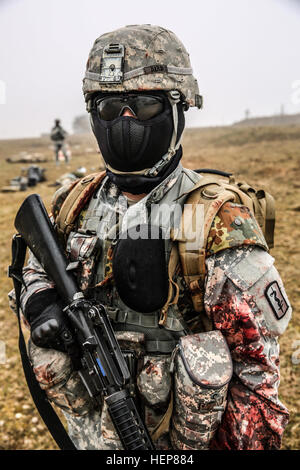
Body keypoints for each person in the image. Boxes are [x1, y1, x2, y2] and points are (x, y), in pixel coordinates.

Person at [9, 24, 292, 450]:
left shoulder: (218, 220)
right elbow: (34, 265)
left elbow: (256, 379)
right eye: (108, 108)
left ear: (179, 108)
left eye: (143, 106)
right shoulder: (73, 202)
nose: (125, 121)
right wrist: (39, 299)